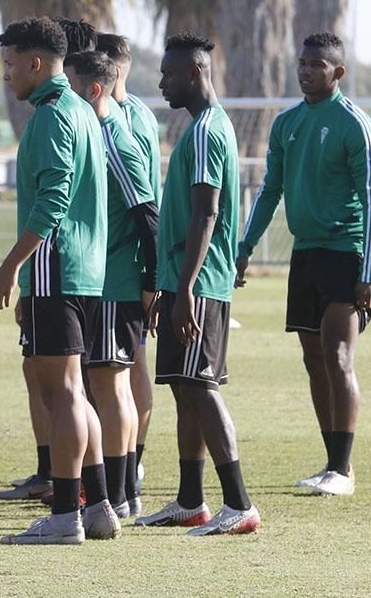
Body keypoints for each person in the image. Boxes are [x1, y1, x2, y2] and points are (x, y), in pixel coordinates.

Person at [0, 17, 117, 544]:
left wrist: (11, 265)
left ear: (36, 64)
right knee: (74, 392)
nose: (7, 75)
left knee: (60, 393)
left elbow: (55, 198)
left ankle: (65, 515)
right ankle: (100, 504)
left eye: (11, 64)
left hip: (56, 267)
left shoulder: (51, 116)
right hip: (83, 270)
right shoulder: (83, 110)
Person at [135, 33, 260, 534]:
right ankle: (190, 500)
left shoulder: (209, 129)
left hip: (201, 283)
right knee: (186, 389)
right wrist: (169, 286)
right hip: (185, 281)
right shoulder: (197, 128)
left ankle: (240, 504)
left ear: (193, 73)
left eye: (167, 74)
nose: (161, 82)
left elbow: (207, 212)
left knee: (201, 386)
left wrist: (184, 288)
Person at [238, 32, 370, 496]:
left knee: (338, 356)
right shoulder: (287, 123)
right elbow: (269, 189)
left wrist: (368, 271)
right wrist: (244, 247)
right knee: (314, 360)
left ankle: (343, 470)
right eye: (302, 62)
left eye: (316, 64)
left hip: (345, 252)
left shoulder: (354, 123)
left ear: (337, 72)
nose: (305, 70)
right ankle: (331, 463)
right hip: (305, 252)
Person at [64, 51, 159, 518]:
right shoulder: (98, 131)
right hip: (107, 283)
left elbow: (147, 211)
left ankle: (118, 494)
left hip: (115, 283)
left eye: (70, 83)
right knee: (107, 387)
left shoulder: (112, 137)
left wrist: (151, 281)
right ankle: (124, 494)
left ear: (93, 89)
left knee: (109, 388)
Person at [97, 32, 162, 481]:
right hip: (138, 260)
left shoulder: (120, 119)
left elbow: (143, 202)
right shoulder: (141, 112)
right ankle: (128, 468)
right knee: (130, 365)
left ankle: (125, 471)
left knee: (123, 369)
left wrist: (149, 278)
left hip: (126, 263)